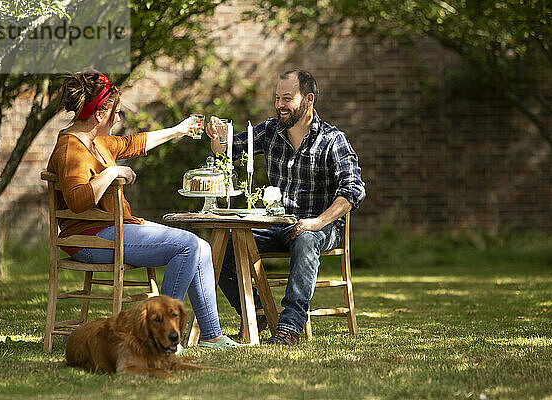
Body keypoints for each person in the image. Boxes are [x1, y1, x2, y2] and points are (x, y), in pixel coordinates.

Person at [47, 68, 242, 349]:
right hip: (88, 239)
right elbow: (78, 200)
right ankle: (157, 338)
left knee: (201, 246)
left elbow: (133, 143)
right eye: (116, 111)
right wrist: (112, 173)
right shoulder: (71, 148)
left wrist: (178, 130)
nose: (119, 118)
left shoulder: (96, 142)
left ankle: (212, 336)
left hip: (114, 230)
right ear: (100, 114)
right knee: (186, 246)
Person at [206, 69, 366, 345]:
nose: (280, 105)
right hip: (275, 224)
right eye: (277, 98)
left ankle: (289, 328)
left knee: (305, 239)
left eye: (287, 98)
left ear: (308, 100)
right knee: (221, 247)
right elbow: (226, 149)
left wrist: (317, 222)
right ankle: (257, 313)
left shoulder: (332, 139)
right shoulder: (270, 131)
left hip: (318, 228)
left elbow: (354, 191)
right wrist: (218, 135)